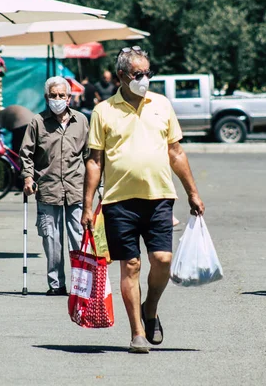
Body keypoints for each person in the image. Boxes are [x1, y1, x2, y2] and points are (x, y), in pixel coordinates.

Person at [82, 46, 205, 354]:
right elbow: (95, 161)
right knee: (131, 265)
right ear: (122, 76)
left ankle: (150, 307)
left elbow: (176, 152)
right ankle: (137, 331)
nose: (146, 79)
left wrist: (192, 192)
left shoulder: (162, 105)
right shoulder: (103, 111)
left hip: (160, 196)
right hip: (118, 201)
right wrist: (86, 205)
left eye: (149, 73)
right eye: (139, 74)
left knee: (162, 260)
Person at [19, 76, 89, 296]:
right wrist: (28, 178)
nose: (57, 99)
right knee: (52, 240)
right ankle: (56, 284)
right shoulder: (37, 122)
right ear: (46, 97)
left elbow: (90, 156)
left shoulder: (82, 121)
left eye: (61, 96)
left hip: (76, 188)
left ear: (69, 98)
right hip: (47, 189)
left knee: (78, 238)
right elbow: (26, 154)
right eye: (53, 95)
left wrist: (99, 186)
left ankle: (80, 284)